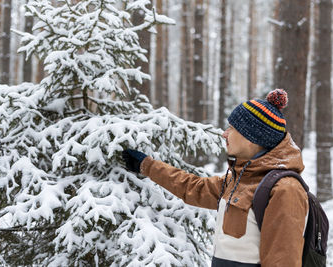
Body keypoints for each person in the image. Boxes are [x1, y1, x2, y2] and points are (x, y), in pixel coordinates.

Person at [123, 89, 309, 267]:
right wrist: (146, 165)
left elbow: (284, 261)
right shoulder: (240, 179)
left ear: (252, 137)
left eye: (232, 128)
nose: (224, 133)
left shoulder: (285, 189)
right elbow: (193, 187)